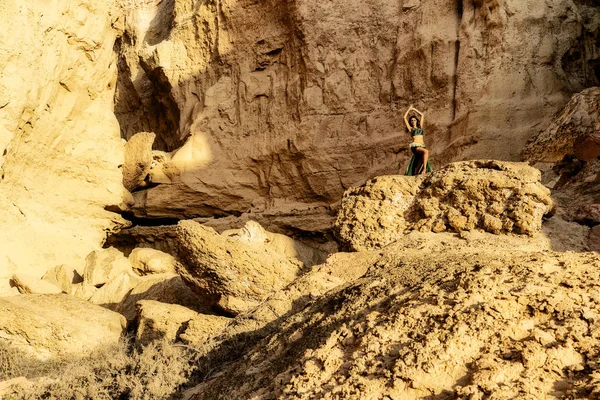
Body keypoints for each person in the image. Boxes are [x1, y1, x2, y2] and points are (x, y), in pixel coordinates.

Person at [403, 105, 432, 176]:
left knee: (420, 161)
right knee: (426, 151)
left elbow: (422, 115)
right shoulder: (411, 129)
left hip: (422, 145)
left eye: (414, 120)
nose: (413, 121)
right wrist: (409, 109)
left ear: (417, 121)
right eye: (411, 120)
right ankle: (424, 169)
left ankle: (416, 173)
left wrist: (414, 109)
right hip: (415, 146)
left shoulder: (420, 128)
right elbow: (404, 117)